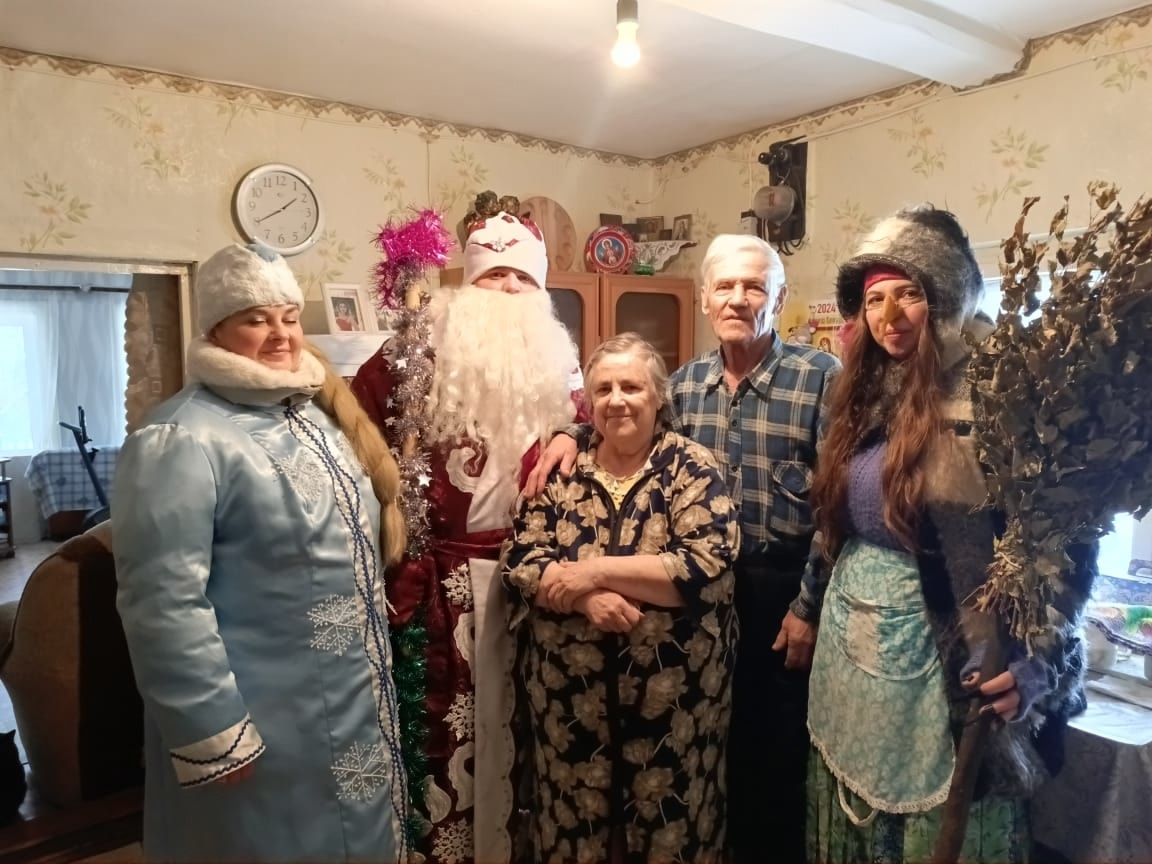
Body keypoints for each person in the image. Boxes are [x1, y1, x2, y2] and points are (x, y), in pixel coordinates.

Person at [527, 234, 840, 864]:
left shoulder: (820, 377)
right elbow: (623, 415)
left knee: (773, 751)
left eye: (754, 286)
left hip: (783, 587)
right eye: (724, 286)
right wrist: (568, 434)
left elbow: (836, 506)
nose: (738, 299)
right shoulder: (688, 383)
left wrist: (808, 607)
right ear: (704, 300)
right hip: (697, 599)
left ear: (778, 298)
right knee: (707, 744)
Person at [801, 205, 1096, 862]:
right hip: (853, 644)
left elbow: (1063, 539)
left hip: (951, 646)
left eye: (909, 292)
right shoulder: (860, 391)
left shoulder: (1000, 393)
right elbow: (834, 524)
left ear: (945, 295)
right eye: (874, 299)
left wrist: (1038, 658)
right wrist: (809, 603)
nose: (890, 315)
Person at [112, 243, 410, 862]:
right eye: (256, 319)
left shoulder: (316, 419)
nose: (280, 334)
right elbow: (162, 601)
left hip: (351, 704)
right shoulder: (180, 437)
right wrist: (213, 730)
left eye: (289, 317)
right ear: (217, 329)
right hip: (264, 725)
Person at [351, 208, 587, 864]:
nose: (509, 288)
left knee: (529, 744)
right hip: (439, 594)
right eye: (494, 275)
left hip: (535, 591)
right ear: (467, 283)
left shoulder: (560, 367)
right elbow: (353, 441)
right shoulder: (408, 357)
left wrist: (575, 433)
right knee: (438, 746)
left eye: (523, 278)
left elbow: (604, 418)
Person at [502, 332, 739, 864]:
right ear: (588, 402)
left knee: (668, 831)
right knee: (577, 830)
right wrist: (586, 600)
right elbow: (520, 559)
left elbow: (701, 564)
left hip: (673, 710)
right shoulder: (562, 470)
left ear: (658, 396)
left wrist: (591, 572)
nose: (617, 400)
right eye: (603, 389)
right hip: (569, 705)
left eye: (631, 387)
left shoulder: (691, 467)